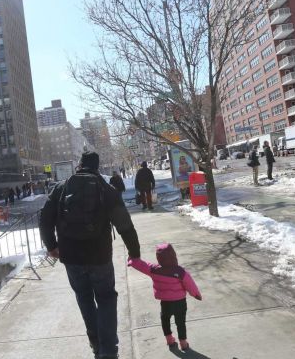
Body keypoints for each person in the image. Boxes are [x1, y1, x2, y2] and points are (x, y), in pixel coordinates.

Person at [40, 151, 141, 359]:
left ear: (79, 165)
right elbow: (125, 225)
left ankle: (96, 343)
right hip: (100, 256)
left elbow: (45, 219)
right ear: (97, 166)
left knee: (84, 299)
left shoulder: (61, 188)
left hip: (71, 257)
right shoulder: (106, 189)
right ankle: (109, 351)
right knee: (106, 299)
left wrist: (51, 246)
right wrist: (134, 252)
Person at [128, 243, 201, 352]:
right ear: (174, 255)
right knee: (180, 322)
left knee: (165, 319)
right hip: (180, 302)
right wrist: (196, 294)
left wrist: (132, 260)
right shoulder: (180, 271)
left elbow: (141, 265)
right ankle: (183, 343)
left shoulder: (154, 269)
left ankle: (169, 340)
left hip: (165, 302)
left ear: (158, 257)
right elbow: (190, 284)